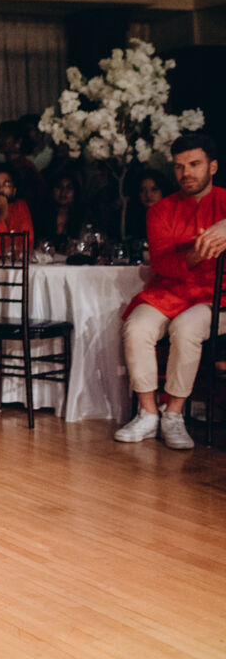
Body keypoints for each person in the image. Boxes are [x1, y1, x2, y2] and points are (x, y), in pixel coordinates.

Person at [114, 133, 226, 450]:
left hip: (217, 296)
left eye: (194, 164)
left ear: (213, 166)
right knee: (137, 326)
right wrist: (197, 253)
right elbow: (163, 265)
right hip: (171, 290)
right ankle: (148, 412)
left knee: (186, 328)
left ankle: (173, 414)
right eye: (179, 166)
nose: (186, 173)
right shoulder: (161, 210)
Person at [34, 169, 88, 253]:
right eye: (59, 187)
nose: (63, 192)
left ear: (75, 192)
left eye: (69, 188)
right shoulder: (41, 215)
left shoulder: (83, 217)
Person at [124, 168, 174, 242]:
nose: (148, 195)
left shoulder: (174, 218)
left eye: (154, 189)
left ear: (163, 191)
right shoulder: (132, 219)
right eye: (142, 190)